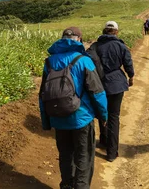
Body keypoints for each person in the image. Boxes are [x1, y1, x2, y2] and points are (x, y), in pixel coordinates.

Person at [39, 27, 108, 189]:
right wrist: (103, 116)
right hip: (81, 118)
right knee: (84, 157)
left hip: (58, 118)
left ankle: (67, 185)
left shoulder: (49, 62)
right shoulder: (84, 61)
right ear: (79, 40)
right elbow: (97, 93)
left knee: (65, 155)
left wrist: (46, 121)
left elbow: (43, 94)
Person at [95, 21, 135, 162]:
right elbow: (128, 63)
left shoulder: (96, 46)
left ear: (104, 31)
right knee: (114, 117)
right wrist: (130, 76)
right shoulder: (120, 45)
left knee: (101, 112)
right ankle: (111, 153)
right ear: (116, 32)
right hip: (116, 84)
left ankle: (104, 140)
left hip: (99, 84)